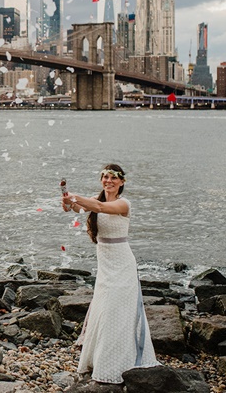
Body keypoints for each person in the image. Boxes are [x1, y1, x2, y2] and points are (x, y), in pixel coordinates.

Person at [62, 163, 158, 384]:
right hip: (105, 266)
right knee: (103, 310)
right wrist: (68, 202)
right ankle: (98, 359)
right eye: (105, 177)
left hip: (123, 265)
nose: (109, 181)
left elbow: (100, 208)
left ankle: (117, 364)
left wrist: (76, 197)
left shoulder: (123, 204)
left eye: (114, 178)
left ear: (121, 182)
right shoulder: (97, 202)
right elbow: (76, 209)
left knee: (118, 312)